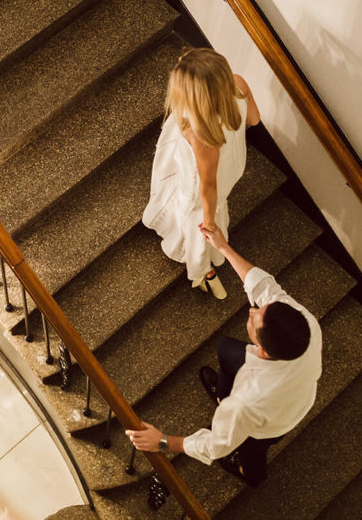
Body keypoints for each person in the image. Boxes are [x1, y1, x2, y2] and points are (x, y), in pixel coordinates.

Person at [125, 225, 322, 487]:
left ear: (262, 349)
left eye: (255, 318)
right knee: (225, 348)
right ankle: (221, 393)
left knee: (253, 449)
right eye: (260, 310)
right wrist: (223, 247)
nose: (252, 312)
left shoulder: (247, 402)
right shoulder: (307, 324)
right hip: (298, 391)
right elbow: (265, 287)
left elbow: (217, 443)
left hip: (272, 423)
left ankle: (251, 474)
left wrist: (163, 442)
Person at [142, 48, 260, 299]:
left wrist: (208, 221)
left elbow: (206, 185)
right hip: (230, 167)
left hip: (204, 184)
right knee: (209, 212)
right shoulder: (238, 84)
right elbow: (254, 120)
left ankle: (202, 270)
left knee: (196, 221)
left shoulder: (200, 132)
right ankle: (210, 262)